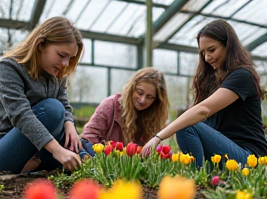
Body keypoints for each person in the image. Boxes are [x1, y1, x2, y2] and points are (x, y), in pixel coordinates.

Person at [142, 19, 267, 168]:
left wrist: (158, 137)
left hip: (250, 158)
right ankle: (204, 176)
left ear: (228, 45)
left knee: (186, 125)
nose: (207, 57)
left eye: (212, 50)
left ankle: (198, 179)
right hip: (227, 154)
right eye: (203, 52)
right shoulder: (213, 81)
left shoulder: (242, 76)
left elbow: (203, 110)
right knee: (187, 123)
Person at [0, 16, 86, 174]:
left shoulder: (58, 72)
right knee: (52, 109)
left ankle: (36, 164)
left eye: (70, 58)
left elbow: (65, 105)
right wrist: (58, 151)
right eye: (62, 55)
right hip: (5, 151)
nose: (66, 64)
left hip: (43, 147)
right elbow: (21, 115)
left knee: (87, 151)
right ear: (41, 44)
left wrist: (70, 125)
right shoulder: (9, 68)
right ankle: (35, 163)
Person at [81, 67, 169, 151]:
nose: (142, 100)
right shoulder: (110, 105)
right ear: (132, 88)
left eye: (149, 97)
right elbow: (89, 136)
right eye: (140, 92)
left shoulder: (153, 117)